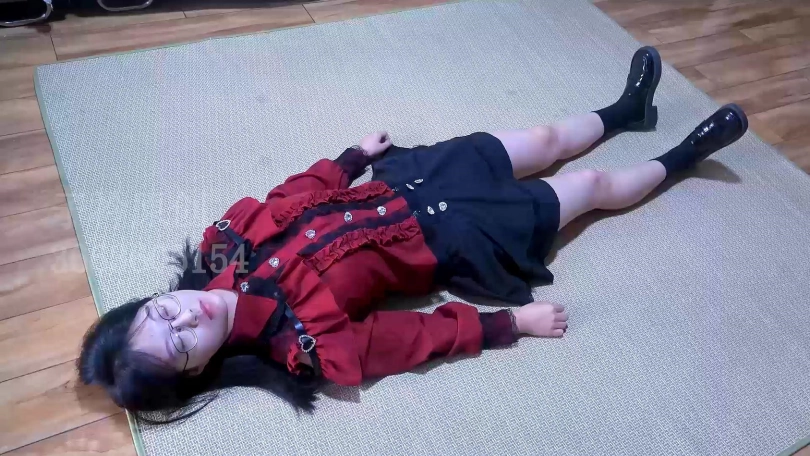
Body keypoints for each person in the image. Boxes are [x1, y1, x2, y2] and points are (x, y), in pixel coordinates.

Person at [78, 46, 748, 421]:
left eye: (161, 312)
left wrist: (348, 160)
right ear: (200, 370)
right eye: (181, 343)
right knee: (591, 188)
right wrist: (506, 326)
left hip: (412, 179)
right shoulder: (303, 344)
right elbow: (405, 340)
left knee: (544, 139)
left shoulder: (222, 245)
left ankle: (627, 111)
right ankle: (684, 157)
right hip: (453, 235)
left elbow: (290, 196)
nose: (186, 316)